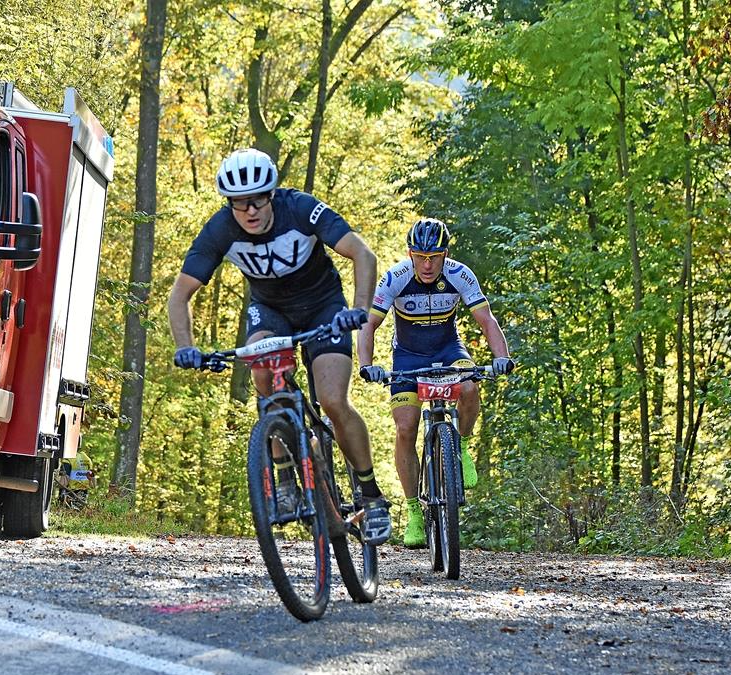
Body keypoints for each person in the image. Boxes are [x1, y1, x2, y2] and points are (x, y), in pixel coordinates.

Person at [168, 148, 392, 544]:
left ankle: (370, 494)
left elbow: (363, 254)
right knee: (261, 370)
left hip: (324, 308)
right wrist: (186, 346)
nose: (250, 211)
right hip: (270, 311)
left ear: (272, 194)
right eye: (239, 204)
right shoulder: (220, 230)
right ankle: (285, 475)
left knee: (333, 400)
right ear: (229, 205)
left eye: (257, 199)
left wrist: (358, 310)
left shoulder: (300, 209)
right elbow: (179, 295)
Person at [359, 217, 514, 548]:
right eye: (420, 256)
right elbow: (369, 326)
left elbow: (486, 319)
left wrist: (501, 356)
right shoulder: (396, 278)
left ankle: (462, 445)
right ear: (410, 254)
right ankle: (415, 511)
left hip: (448, 350)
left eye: (434, 257)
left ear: (445, 255)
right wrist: (367, 365)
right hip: (408, 356)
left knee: (471, 385)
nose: (427, 264)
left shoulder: (460, 275)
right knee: (405, 427)